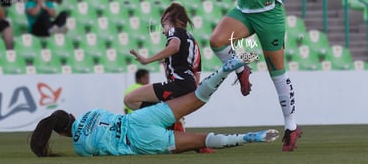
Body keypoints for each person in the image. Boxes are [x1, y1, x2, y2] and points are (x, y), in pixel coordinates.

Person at [30, 59, 280, 157]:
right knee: (195, 98)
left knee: (199, 140)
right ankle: (225, 69)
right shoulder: (88, 113)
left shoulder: (79, 148)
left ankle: (251, 137)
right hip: (139, 119)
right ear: (72, 115)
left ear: (61, 133)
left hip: (138, 140)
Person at [205, 0, 301, 152]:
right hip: (244, 12)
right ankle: (241, 67)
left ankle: (291, 127)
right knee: (216, 40)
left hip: (268, 15)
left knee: (277, 74)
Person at [124, 3, 202, 111]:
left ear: (172, 20)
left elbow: (174, 47)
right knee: (169, 115)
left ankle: (158, 119)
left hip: (178, 83)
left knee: (129, 99)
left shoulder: (174, 30)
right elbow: (197, 70)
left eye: (163, 25)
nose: (162, 31)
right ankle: (168, 121)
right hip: (188, 86)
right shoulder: (193, 41)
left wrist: (147, 60)